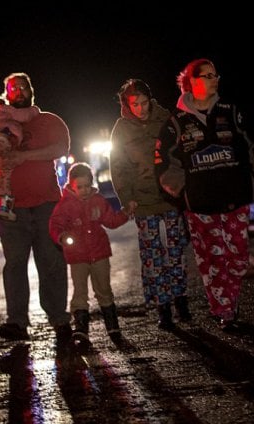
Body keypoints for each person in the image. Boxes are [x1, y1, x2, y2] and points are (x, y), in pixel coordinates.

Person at [155, 58, 254, 330]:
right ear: (193, 82)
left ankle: (228, 301)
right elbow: (164, 162)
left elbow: (251, 146)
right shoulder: (176, 122)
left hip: (235, 199)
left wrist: (252, 178)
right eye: (208, 75)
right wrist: (183, 192)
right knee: (213, 260)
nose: (215, 79)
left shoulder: (230, 111)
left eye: (216, 74)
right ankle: (224, 310)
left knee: (238, 257)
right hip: (200, 204)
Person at [0, 72, 72, 343]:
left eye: (23, 87)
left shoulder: (48, 120)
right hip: (9, 207)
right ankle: (16, 321)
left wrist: (22, 156)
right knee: (14, 264)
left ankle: (59, 318)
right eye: (12, 88)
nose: (18, 91)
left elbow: (61, 147)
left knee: (51, 261)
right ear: (6, 93)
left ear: (31, 90)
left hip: (46, 204)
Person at [109, 78, 191, 330]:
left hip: (169, 196)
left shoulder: (166, 118)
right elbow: (119, 166)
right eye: (135, 104)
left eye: (144, 103)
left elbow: (180, 153)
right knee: (152, 256)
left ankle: (181, 300)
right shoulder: (121, 129)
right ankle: (162, 306)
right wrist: (127, 198)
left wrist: (181, 188)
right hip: (143, 200)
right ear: (127, 105)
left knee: (176, 251)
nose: (141, 109)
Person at [49, 162, 136, 344]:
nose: (84, 190)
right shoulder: (65, 205)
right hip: (78, 257)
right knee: (80, 292)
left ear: (92, 183)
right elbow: (55, 225)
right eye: (79, 187)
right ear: (71, 186)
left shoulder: (98, 201)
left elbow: (110, 220)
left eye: (87, 186)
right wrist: (62, 236)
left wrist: (125, 213)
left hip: (99, 253)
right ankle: (81, 328)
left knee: (103, 289)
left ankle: (112, 325)